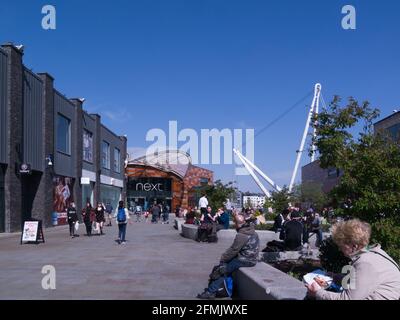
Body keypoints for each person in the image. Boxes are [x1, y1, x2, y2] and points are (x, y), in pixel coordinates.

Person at [306, 219, 400, 300]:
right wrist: (334, 277)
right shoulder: (371, 253)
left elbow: (347, 298)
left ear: (354, 246)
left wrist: (317, 293)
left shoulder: (365, 263)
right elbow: (358, 282)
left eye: (341, 245)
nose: (339, 249)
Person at [197, 213, 260, 299]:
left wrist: (223, 258)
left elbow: (233, 250)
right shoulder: (250, 230)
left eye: (235, 224)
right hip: (251, 258)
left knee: (222, 270)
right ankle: (213, 288)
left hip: (246, 260)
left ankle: (210, 292)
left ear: (237, 224)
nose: (234, 226)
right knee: (224, 267)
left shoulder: (242, 234)